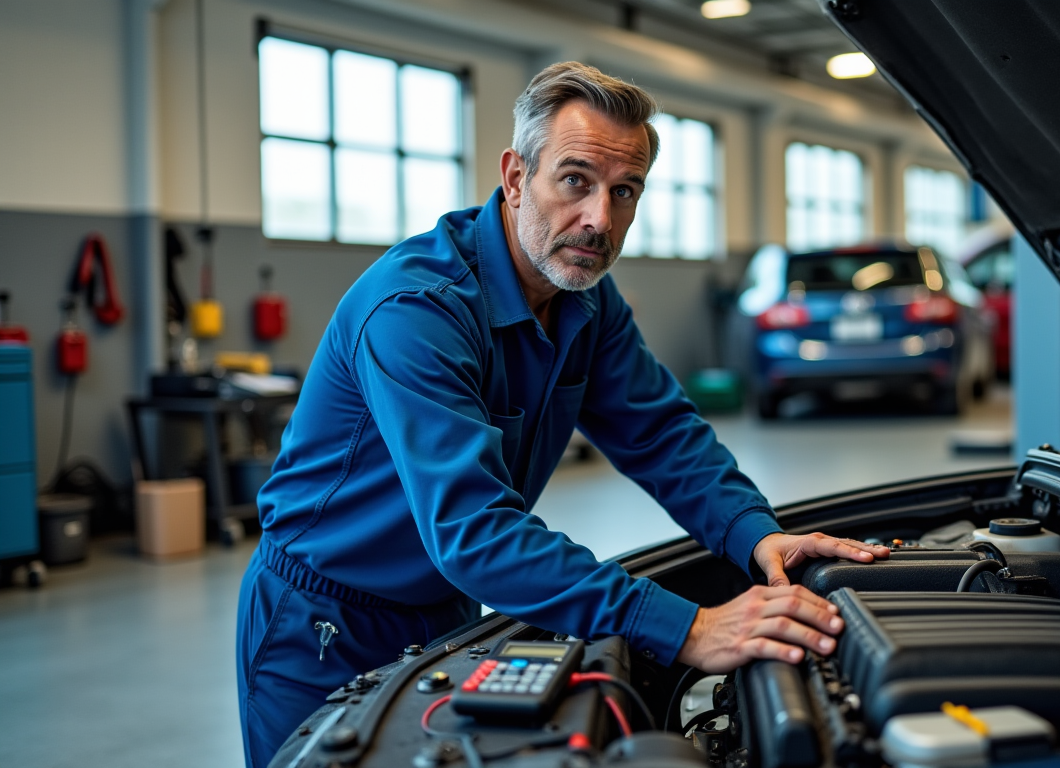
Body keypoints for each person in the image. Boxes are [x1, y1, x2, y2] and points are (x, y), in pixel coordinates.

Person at [235, 61, 888, 768]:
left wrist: (757, 535)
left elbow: (660, 432)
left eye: (624, 191)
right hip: (322, 623)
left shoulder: (584, 299)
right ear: (516, 178)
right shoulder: (416, 312)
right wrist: (685, 627)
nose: (599, 220)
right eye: (575, 181)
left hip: (445, 612)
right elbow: (476, 532)